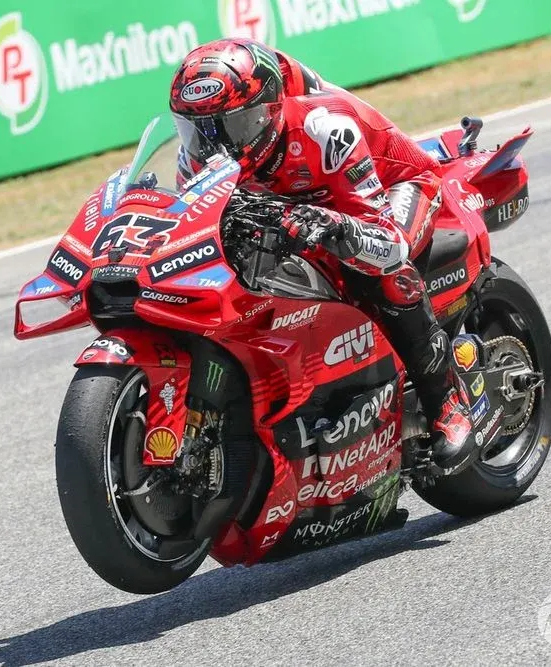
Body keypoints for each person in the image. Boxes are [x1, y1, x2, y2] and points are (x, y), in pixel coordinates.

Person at [169, 39, 475, 469]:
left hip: (394, 190)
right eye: (198, 128)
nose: (213, 145)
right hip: (298, 207)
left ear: (267, 113)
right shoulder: (199, 157)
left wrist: (335, 226)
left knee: (386, 272)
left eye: (230, 127)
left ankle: (446, 403)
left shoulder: (324, 130)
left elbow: (387, 241)